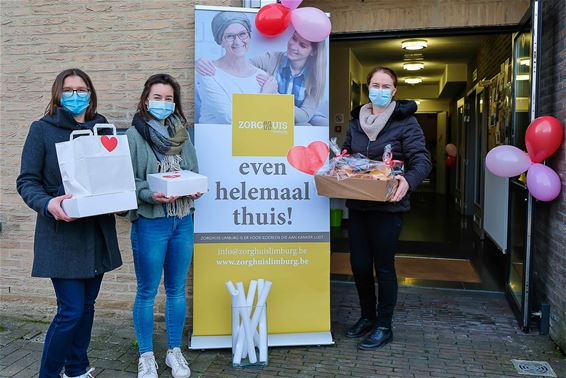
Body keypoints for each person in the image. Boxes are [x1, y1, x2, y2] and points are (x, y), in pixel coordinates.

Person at [16, 68, 122, 378]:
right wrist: (48, 203)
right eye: (69, 89)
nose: (76, 95)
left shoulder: (104, 128)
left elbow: (113, 177)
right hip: (62, 235)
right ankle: (48, 374)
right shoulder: (42, 130)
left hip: (97, 235)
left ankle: (76, 368)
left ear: (91, 93)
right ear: (58, 94)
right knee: (71, 311)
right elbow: (27, 181)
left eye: (82, 89)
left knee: (86, 308)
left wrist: (122, 199)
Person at [342, 66, 431, 350]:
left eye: (385, 86)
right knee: (358, 265)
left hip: (388, 207)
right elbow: (346, 151)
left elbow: (422, 160)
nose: (379, 90)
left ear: (394, 91)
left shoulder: (406, 122)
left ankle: (383, 325)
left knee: (383, 267)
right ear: (367, 88)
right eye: (374, 85)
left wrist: (409, 180)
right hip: (358, 204)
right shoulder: (358, 121)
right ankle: (367, 317)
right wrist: (341, 164)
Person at [127, 73, 200, 378]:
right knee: (146, 291)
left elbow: (193, 170)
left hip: (182, 220)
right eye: (157, 97)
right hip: (150, 223)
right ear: (146, 99)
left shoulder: (182, 133)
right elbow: (127, 184)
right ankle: (146, 354)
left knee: (176, 289)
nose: (163, 103)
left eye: (169, 98)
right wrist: (149, 194)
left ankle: (174, 351)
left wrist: (194, 187)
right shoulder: (134, 135)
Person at [197, 31, 327, 125]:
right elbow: (241, 67)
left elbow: (304, 116)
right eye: (293, 38)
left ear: (313, 52)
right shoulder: (273, 59)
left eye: (302, 45)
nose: (294, 46)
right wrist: (205, 63)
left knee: (316, 124)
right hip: (270, 114)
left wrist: (274, 96)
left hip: (295, 118)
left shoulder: (315, 77)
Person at [196, 11, 267, 124]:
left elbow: (271, 118)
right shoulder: (209, 71)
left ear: (249, 36)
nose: (238, 41)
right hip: (217, 140)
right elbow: (231, 118)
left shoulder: (262, 76)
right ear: (220, 41)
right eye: (230, 36)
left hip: (253, 140)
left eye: (242, 34)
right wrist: (266, 95)